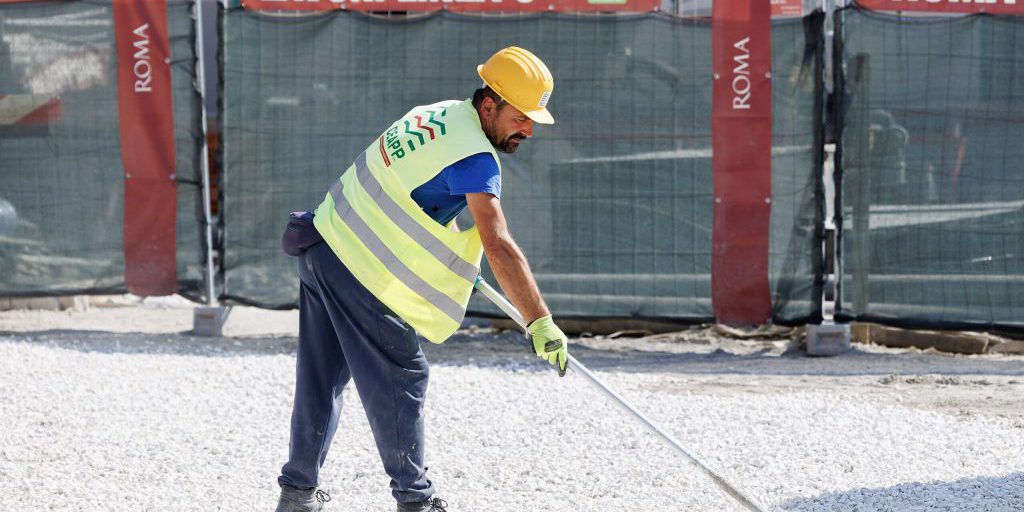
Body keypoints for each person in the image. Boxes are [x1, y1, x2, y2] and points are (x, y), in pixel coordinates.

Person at [275, 46, 569, 512]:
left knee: (321, 378)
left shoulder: (435, 115)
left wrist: (446, 255)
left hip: (323, 242)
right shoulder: (476, 158)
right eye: (520, 117)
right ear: (488, 105)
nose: (528, 130)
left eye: (533, 120)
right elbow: (498, 244)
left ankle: (296, 494)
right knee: (402, 374)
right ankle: (415, 500)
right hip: (359, 266)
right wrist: (539, 320)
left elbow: (410, 193)